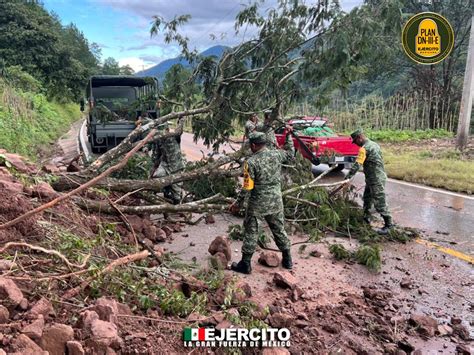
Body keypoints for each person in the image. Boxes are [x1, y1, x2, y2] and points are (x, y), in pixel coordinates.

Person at [230, 129, 295, 274]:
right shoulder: (277, 154)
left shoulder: (251, 162)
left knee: (251, 231)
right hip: (276, 201)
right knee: (279, 229)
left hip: (258, 204)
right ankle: (288, 260)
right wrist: (288, 136)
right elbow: (291, 154)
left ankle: (245, 264)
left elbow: (247, 187)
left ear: (253, 145)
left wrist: (237, 204)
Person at [345, 129, 393, 234]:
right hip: (374, 177)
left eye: (355, 141)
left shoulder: (364, 148)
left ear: (359, 138)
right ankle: (366, 218)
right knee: (367, 199)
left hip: (376, 179)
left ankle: (389, 225)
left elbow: (357, 164)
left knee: (379, 202)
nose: (356, 144)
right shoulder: (374, 144)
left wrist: (347, 178)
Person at [151, 122, 185, 204]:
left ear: (167, 130)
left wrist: (181, 120)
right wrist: (154, 168)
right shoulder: (159, 141)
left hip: (176, 168)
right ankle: (163, 193)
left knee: (176, 192)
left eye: (163, 131)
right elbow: (157, 155)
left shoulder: (174, 137)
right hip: (165, 166)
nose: (161, 133)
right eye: (159, 132)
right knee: (156, 178)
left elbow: (179, 131)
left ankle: (178, 206)